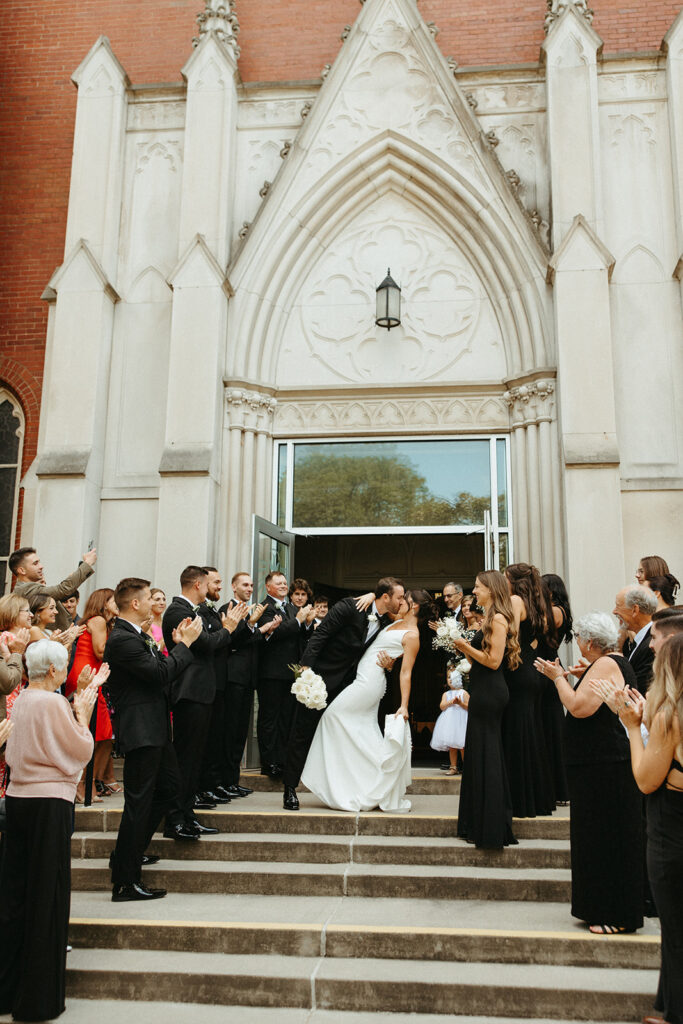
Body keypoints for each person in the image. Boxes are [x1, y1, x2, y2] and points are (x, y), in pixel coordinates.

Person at [0, 638, 101, 1021]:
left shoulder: (22, 698)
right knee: (47, 894)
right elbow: (79, 749)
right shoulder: (53, 702)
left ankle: (7, 990)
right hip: (49, 802)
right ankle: (38, 1000)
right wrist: (83, 716)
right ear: (56, 670)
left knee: (16, 894)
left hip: (18, 798)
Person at [535, 612, 643, 934]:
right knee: (593, 838)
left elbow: (579, 707)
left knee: (604, 838)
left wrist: (557, 677)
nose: (578, 645)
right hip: (595, 766)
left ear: (591, 641)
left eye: (580, 639)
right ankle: (597, 906)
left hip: (604, 766)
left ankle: (613, 912)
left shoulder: (608, 663)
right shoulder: (607, 662)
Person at [595, 636, 683, 1024]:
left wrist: (632, 727)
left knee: (675, 930)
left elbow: (646, 779)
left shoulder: (671, 718)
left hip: (672, 827)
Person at [104, 577, 204, 899]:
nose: (153, 602)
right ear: (135, 603)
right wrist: (185, 646)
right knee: (139, 802)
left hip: (156, 729)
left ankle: (127, 854)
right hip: (141, 730)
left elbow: (161, 668)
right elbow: (160, 673)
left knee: (170, 789)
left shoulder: (138, 635)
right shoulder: (121, 638)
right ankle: (125, 880)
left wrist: (173, 646)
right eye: (148, 598)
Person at [282, 577, 405, 811]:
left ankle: (342, 787)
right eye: (398, 597)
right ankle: (289, 788)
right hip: (322, 678)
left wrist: (389, 665)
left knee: (343, 735)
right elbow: (321, 634)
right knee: (302, 732)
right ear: (386, 597)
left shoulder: (387, 619)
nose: (401, 601)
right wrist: (306, 669)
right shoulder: (349, 607)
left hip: (350, 686)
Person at [302, 588, 428, 812]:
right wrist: (371, 594)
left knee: (332, 717)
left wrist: (404, 706)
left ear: (415, 606)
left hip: (369, 683)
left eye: (405, 599)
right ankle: (367, 780)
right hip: (361, 677)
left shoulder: (413, 635)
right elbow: (381, 604)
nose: (400, 602)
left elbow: (406, 672)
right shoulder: (396, 619)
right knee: (362, 730)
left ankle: (359, 779)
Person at [162, 566, 248, 827]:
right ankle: (176, 819)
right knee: (187, 758)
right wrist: (228, 628)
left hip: (202, 691)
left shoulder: (194, 611)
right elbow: (207, 643)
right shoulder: (179, 611)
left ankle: (187, 815)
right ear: (198, 584)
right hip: (190, 691)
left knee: (195, 758)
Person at [449, 570, 520, 849]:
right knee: (478, 755)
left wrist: (465, 645)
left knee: (486, 755)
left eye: (478, 587)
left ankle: (489, 826)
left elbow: (493, 661)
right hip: (482, 690)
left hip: (490, 693)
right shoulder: (489, 618)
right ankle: (475, 821)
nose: (474, 591)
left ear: (491, 589)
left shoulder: (499, 619)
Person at [501, 563, 556, 817]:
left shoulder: (514, 601)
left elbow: (508, 636)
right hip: (535, 671)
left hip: (519, 672)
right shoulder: (539, 604)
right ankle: (539, 798)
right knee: (533, 733)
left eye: (505, 578)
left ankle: (521, 800)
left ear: (514, 582)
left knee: (517, 734)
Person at [219, 572, 280, 799]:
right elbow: (232, 642)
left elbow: (250, 643)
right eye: (245, 585)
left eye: (252, 585)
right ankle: (225, 781)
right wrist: (253, 624)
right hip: (233, 677)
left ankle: (233, 780)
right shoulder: (227, 609)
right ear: (233, 587)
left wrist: (263, 631)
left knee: (240, 733)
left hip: (248, 678)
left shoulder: (252, 610)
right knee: (230, 731)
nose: (249, 588)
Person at [257, 571, 313, 779]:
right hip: (271, 672)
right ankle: (268, 762)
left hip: (290, 673)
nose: (282, 586)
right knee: (269, 719)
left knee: (285, 719)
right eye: (278, 583)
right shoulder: (264, 608)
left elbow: (299, 636)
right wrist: (298, 621)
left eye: (283, 583)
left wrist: (306, 624)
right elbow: (274, 634)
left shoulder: (290, 608)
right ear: (268, 587)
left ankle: (281, 760)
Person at [66, 588, 119, 803]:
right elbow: (100, 650)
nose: (118, 604)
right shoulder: (97, 620)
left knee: (103, 735)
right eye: (114, 600)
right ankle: (82, 785)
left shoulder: (103, 622)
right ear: (104, 603)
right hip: (86, 675)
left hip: (91, 675)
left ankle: (88, 783)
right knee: (98, 733)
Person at [9, 545, 97, 632]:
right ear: (22, 570)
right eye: (35, 563)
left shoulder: (28, 588)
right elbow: (62, 589)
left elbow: (63, 589)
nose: (41, 566)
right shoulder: (25, 589)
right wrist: (87, 563)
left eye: (39, 562)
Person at [541, 572, 573, 805]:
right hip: (544, 668)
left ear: (550, 591)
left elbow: (537, 627)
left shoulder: (556, 612)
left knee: (551, 726)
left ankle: (561, 788)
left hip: (549, 670)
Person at [614, 584, 658, 693]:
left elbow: (636, 689)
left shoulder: (652, 645)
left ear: (635, 610)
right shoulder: (639, 640)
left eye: (618, 606)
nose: (614, 611)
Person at [430, 659, 468, 775]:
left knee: (462, 746)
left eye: (452, 678)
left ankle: (466, 767)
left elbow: (468, 707)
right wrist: (450, 702)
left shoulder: (463, 693)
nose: (450, 680)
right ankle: (453, 767)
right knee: (452, 745)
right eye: (448, 678)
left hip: (461, 722)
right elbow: (442, 706)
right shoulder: (446, 694)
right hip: (450, 722)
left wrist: (460, 703)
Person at [148, 588, 168, 654]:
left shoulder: (166, 623)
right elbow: (156, 650)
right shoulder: (147, 624)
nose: (162, 603)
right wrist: (167, 633)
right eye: (157, 599)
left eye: (164, 599)